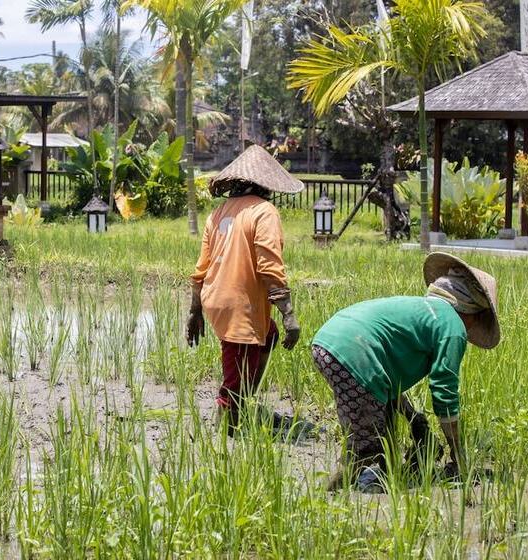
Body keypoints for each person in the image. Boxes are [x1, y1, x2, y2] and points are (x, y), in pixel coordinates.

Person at [312, 252, 500, 491]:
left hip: (330, 342)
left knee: (385, 429)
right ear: (472, 313)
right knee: (367, 448)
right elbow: (444, 391)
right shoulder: (452, 327)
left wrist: (413, 418)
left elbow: (384, 380)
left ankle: (383, 478)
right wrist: (457, 452)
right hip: (353, 353)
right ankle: (328, 493)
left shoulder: (420, 310)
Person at [186, 145, 303, 433]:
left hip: (215, 298)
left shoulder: (218, 212)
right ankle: (229, 425)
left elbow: (202, 267)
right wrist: (289, 315)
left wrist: (195, 311)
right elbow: (269, 266)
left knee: (268, 336)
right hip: (240, 305)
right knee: (236, 373)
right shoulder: (264, 211)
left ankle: (243, 400)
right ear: (266, 184)